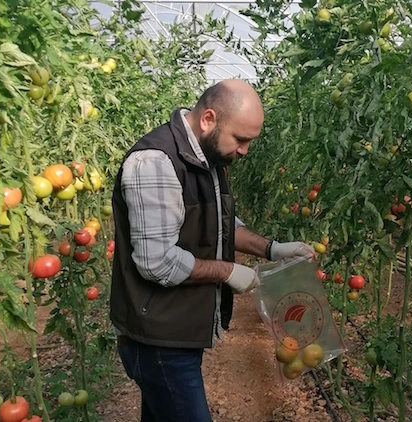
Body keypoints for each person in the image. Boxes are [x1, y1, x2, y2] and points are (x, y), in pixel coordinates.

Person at [109, 79, 315, 422]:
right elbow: (156, 262)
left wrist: (273, 249)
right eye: (241, 139)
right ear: (208, 119)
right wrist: (228, 271)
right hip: (158, 337)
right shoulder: (156, 163)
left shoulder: (207, 159)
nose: (245, 150)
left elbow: (224, 226)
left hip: (177, 329)